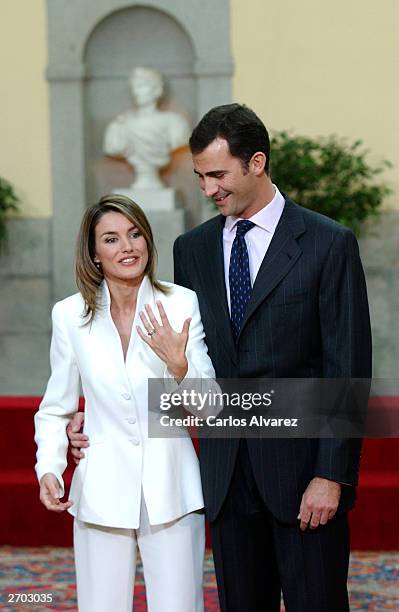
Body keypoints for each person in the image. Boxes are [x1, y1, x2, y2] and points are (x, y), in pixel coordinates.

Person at [70, 104, 372, 611]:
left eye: (217, 175)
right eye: (200, 177)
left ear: (256, 162)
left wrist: (331, 475)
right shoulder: (193, 249)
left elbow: (347, 367)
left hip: (303, 479)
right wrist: (96, 423)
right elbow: (175, 359)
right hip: (226, 478)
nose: (208, 189)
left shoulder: (328, 243)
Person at [34, 194, 215, 612]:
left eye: (135, 235)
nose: (127, 247)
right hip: (101, 488)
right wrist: (49, 465)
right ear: (94, 253)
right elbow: (57, 405)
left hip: (171, 488)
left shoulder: (180, 303)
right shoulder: (69, 315)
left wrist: (179, 363)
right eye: (111, 239)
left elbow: (210, 408)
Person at [103, 66, 190, 189]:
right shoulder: (120, 126)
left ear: (157, 90)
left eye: (141, 86)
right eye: (134, 87)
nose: (136, 92)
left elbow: (179, 141)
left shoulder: (174, 123)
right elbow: (112, 148)